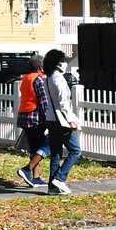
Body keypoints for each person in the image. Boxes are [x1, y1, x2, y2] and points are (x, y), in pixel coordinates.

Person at [43, 49, 82, 195]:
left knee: (56, 154)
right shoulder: (59, 79)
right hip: (62, 120)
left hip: (51, 119)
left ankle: (52, 187)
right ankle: (60, 179)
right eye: (63, 60)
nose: (65, 63)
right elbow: (64, 103)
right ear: (58, 63)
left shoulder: (48, 78)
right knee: (75, 150)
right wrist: (71, 120)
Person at [14, 55, 51, 188]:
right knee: (47, 145)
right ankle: (26, 169)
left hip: (24, 116)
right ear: (41, 67)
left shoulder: (26, 78)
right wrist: (49, 120)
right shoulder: (39, 79)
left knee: (35, 148)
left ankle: (36, 178)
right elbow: (44, 101)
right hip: (35, 117)